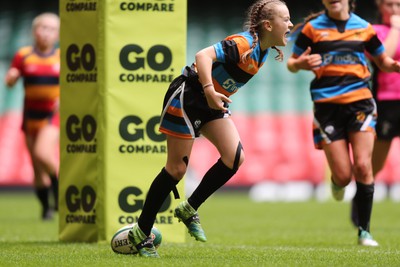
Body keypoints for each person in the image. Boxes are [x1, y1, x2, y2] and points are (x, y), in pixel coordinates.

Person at [127, 0, 293, 258]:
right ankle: (141, 233)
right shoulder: (244, 43)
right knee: (176, 169)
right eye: (286, 19)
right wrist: (209, 90)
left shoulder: (262, 50)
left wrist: (214, 96)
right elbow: (203, 55)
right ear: (269, 25)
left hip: (211, 103)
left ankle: (188, 208)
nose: (291, 24)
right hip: (190, 95)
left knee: (234, 157)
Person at [287, 0, 400, 247]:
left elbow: (382, 61)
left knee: (363, 165)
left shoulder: (364, 28)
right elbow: (291, 63)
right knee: (343, 176)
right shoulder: (312, 29)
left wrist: (394, 66)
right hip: (327, 109)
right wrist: (301, 64)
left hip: (361, 105)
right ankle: (338, 183)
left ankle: (364, 232)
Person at [4, 13, 60, 220]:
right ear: (34, 31)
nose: (46, 32)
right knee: (37, 169)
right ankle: (46, 209)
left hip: (51, 116)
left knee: (43, 153)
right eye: (42, 27)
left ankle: (59, 190)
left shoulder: (62, 57)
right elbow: (10, 80)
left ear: (57, 34)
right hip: (30, 117)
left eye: (51, 29)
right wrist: (11, 78)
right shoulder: (24, 54)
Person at [351, 0, 400, 227]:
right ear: (380, 7)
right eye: (389, 5)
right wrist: (397, 28)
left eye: (398, 5)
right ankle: (360, 199)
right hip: (388, 102)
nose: (394, 9)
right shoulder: (377, 31)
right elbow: (383, 60)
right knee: (375, 164)